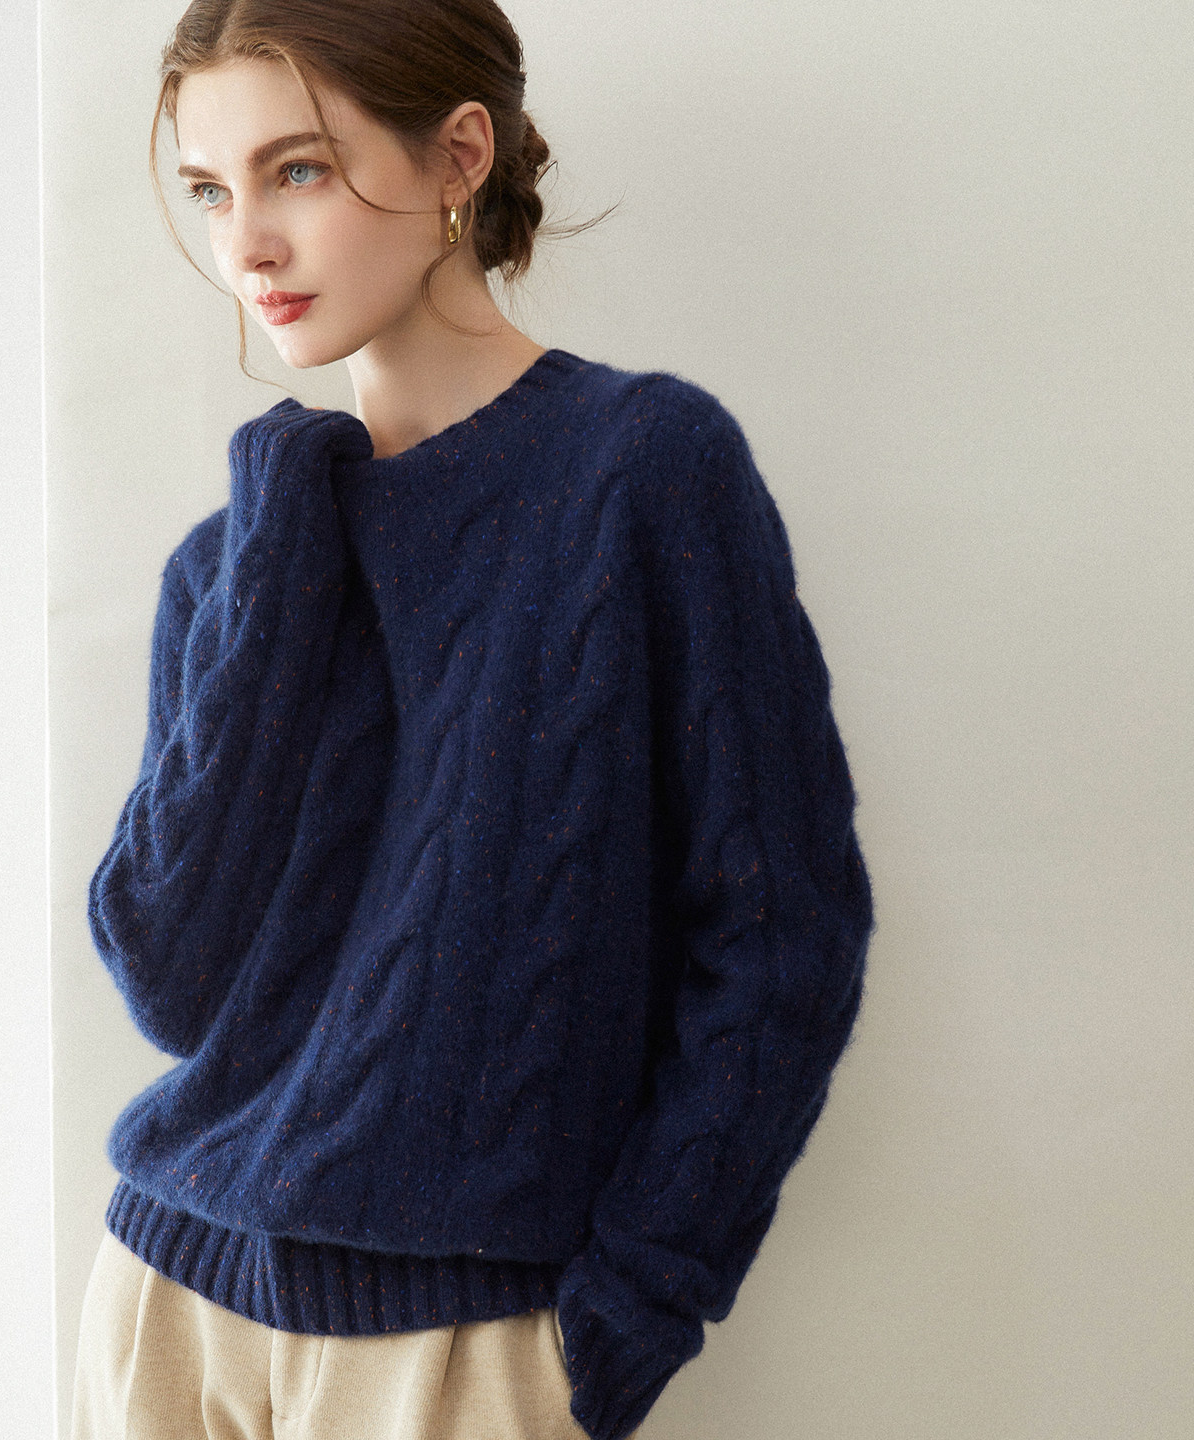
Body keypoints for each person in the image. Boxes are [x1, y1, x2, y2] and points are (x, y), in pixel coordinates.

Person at [70, 2, 876, 1438]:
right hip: (167, 1310)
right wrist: (282, 538)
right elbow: (172, 984)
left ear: (458, 156)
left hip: (451, 1354)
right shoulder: (237, 558)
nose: (247, 245)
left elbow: (778, 933)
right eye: (210, 191)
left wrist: (628, 1313)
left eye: (298, 170)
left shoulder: (640, 470)